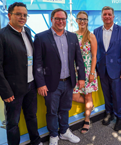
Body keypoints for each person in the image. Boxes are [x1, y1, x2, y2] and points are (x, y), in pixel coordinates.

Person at [0, 2, 42, 145]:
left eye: (25, 15)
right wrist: (5, 92)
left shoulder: (27, 32)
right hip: (13, 90)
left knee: (32, 116)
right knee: (13, 123)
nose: (22, 17)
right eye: (18, 14)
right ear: (9, 15)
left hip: (31, 85)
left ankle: (36, 141)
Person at [33, 8, 85, 145]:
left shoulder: (72, 37)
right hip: (50, 83)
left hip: (68, 81)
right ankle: (54, 135)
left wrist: (81, 78)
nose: (61, 21)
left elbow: (78, 59)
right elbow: (37, 62)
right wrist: (40, 83)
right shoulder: (41, 37)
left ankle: (64, 132)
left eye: (63, 19)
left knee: (65, 109)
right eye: (57, 18)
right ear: (52, 19)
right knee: (52, 111)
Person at [93, 6, 121, 131]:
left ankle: (120, 117)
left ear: (113, 16)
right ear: (102, 16)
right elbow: (96, 52)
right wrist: (96, 68)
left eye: (109, 14)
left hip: (117, 70)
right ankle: (109, 113)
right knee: (106, 94)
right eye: (105, 14)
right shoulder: (96, 31)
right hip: (102, 69)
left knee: (117, 95)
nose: (107, 16)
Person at [72, 11, 98, 134]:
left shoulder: (91, 36)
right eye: (80, 19)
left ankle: (87, 120)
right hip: (75, 70)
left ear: (87, 21)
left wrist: (92, 73)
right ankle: (90, 105)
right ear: (76, 20)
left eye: (85, 19)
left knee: (88, 95)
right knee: (74, 96)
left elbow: (94, 56)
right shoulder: (71, 35)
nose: (82, 21)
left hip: (88, 70)